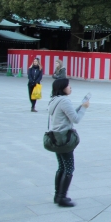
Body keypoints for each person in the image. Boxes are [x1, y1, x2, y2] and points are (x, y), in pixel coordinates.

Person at [48, 78, 89, 207]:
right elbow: (75, 119)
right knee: (69, 168)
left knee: (61, 167)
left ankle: (57, 195)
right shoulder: (65, 100)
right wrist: (84, 108)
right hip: (64, 138)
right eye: (68, 85)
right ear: (62, 88)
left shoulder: (54, 100)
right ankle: (62, 197)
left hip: (55, 137)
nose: (70, 87)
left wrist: (80, 106)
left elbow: (67, 114)